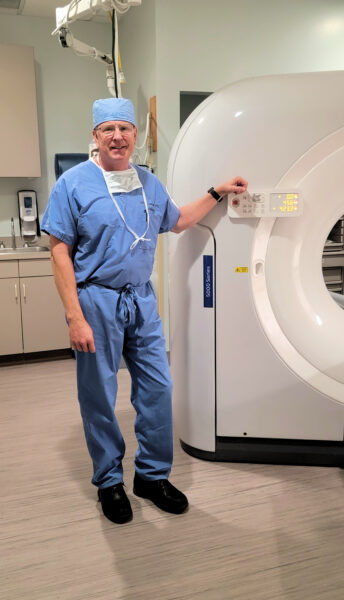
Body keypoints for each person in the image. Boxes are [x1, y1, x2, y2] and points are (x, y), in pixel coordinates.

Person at [41, 97, 248, 525]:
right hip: (96, 300)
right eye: (108, 129)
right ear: (95, 137)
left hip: (142, 299)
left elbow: (177, 220)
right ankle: (110, 481)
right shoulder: (73, 184)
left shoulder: (149, 182)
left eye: (125, 129)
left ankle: (151, 477)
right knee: (99, 395)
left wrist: (216, 192)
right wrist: (74, 316)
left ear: (135, 136)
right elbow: (59, 252)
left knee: (157, 389)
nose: (118, 137)